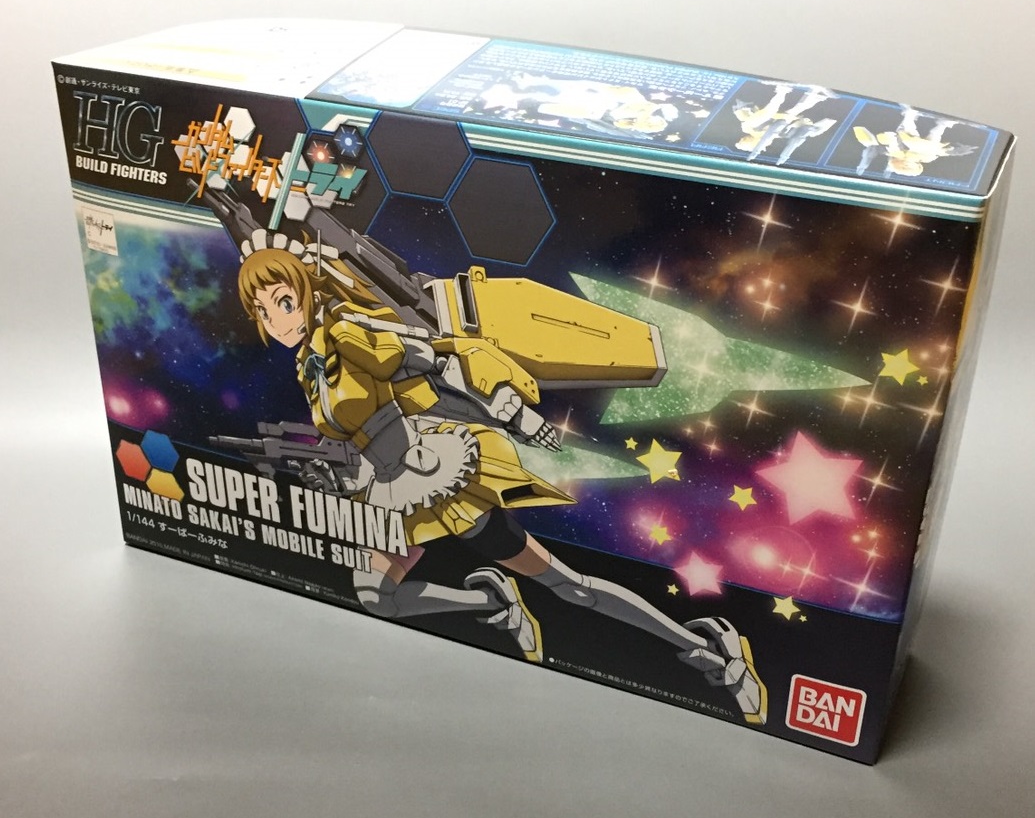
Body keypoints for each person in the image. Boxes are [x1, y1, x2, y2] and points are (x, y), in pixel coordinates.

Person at [236, 232, 767, 723]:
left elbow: (437, 360)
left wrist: (512, 411)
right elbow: (359, 430)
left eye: (283, 301)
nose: (276, 320)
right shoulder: (310, 363)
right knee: (377, 596)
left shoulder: (349, 332)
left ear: (308, 290)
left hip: (440, 476)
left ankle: (711, 654)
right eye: (262, 310)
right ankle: (493, 602)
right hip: (394, 490)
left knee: (567, 586)